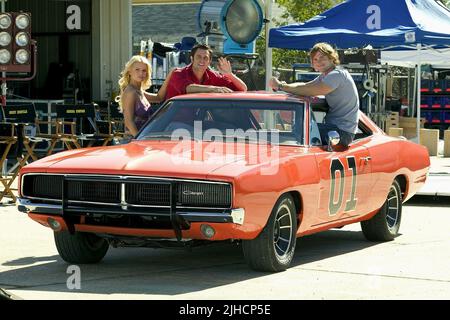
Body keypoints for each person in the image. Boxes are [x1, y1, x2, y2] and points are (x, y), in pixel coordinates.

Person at [269, 42, 359, 148]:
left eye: (322, 57)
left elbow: (311, 90)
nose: (319, 62)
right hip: (336, 129)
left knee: (299, 133)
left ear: (332, 58)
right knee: (298, 131)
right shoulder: (326, 75)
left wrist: (281, 86)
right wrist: (284, 85)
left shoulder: (337, 74)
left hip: (341, 133)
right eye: (315, 59)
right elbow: (305, 85)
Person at [164, 43, 247, 100]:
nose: (202, 60)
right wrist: (215, 89)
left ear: (209, 61)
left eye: (205, 58)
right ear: (192, 59)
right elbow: (188, 88)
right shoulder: (178, 74)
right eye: (199, 57)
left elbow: (242, 89)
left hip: (200, 122)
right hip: (175, 121)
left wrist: (229, 74)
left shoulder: (213, 76)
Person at [116, 55, 169, 136]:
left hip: (143, 137)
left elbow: (159, 98)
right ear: (129, 71)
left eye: (144, 70)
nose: (141, 73)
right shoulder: (131, 92)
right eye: (137, 70)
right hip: (133, 139)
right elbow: (128, 122)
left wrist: (169, 76)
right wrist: (139, 140)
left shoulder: (139, 91)